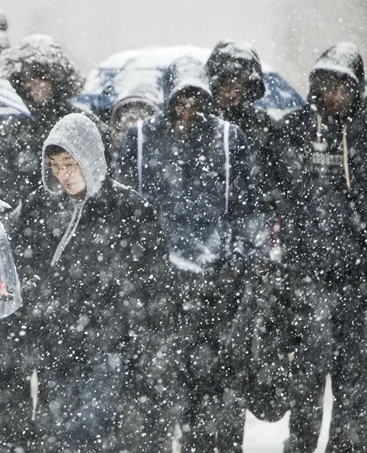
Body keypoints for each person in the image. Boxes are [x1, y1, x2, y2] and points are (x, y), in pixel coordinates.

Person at [117, 55, 256, 452]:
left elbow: (248, 211)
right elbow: (125, 212)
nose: (189, 108)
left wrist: (235, 263)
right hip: (156, 289)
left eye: (197, 98)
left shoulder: (229, 139)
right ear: (168, 96)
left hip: (214, 287)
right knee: (151, 396)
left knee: (209, 394)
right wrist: (137, 269)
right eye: (182, 98)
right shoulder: (141, 139)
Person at [11, 113, 171, 452]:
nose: (62, 175)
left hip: (109, 346)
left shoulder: (129, 209)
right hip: (57, 344)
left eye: (70, 163)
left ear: (90, 157)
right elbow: (24, 269)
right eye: (55, 166)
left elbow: (154, 283)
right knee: (56, 433)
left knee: (91, 433)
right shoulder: (41, 208)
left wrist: (138, 339)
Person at [275, 42, 367, 453]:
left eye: (343, 86)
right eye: (326, 84)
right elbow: (274, 192)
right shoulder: (292, 131)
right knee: (307, 380)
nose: (333, 95)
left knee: (354, 384)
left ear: (356, 88)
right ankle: (300, 446)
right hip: (308, 278)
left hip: (362, 281)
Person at [204, 39, 292, 424]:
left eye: (239, 83)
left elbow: (282, 190)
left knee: (238, 360)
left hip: (249, 260)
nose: (231, 91)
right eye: (225, 82)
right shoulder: (198, 128)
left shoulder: (264, 130)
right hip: (205, 258)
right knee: (204, 364)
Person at [0, 35, 109, 196]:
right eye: (29, 77)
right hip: (30, 213)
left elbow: (103, 165)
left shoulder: (81, 121)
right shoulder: (14, 127)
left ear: (56, 78)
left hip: (77, 209)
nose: (36, 82)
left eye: (42, 75)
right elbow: (1, 175)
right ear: (19, 81)